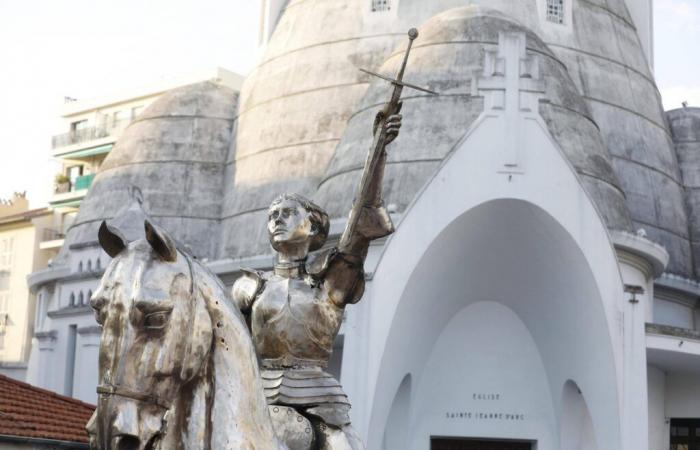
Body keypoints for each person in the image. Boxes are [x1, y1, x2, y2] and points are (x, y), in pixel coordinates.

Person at [232, 112, 401, 448]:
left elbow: (360, 220)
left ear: (312, 227)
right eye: (272, 216)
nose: (276, 219)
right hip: (257, 395)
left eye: (287, 213)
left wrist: (378, 149)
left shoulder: (326, 286)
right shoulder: (250, 287)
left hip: (319, 399)